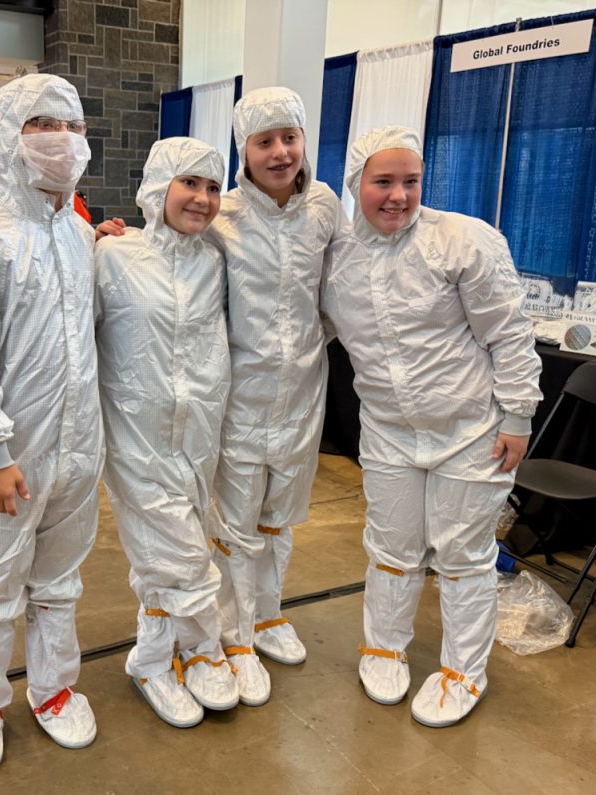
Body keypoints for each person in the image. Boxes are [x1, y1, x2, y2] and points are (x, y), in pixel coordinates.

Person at [322, 126, 542, 727]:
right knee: (391, 548)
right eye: (383, 182)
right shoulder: (338, 258)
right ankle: (383, 647)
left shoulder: (462, 241)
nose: (398, 195)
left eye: (411, 181)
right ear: (356, 184)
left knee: (464, 555)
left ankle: (462, 672)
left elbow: (509, 333)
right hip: (390, 431)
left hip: (471, 429)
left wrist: (518, 414)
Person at [0, 73, 102, 773]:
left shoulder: (83, 234)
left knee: (59, 578)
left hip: (77, 447)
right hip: (10, 454)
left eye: (70, 125)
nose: (59, 139)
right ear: (11, 136)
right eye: (40, 123)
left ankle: (53, 688)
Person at [205, 86, 347, 705]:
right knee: (234, 518)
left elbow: (340, 289)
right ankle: (231, 632)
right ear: (245, 150)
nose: (280, 152)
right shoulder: (224, 215)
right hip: (240, 390)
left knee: (279, 515)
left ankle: (268, 614)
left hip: (302, 391)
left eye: (289, 137)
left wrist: (313, 341)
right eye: (265, 142)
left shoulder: (324, 206)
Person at [94, 137, 240, 728]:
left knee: (170, 552)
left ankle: (153, 659)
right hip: (135, 435)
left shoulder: (215, 261)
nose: (202, 199)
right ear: (159, 188)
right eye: (189, 184)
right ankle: (204, 650)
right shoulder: (112, 257)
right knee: (182, 555)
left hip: (199, 433)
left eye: (211, 186)